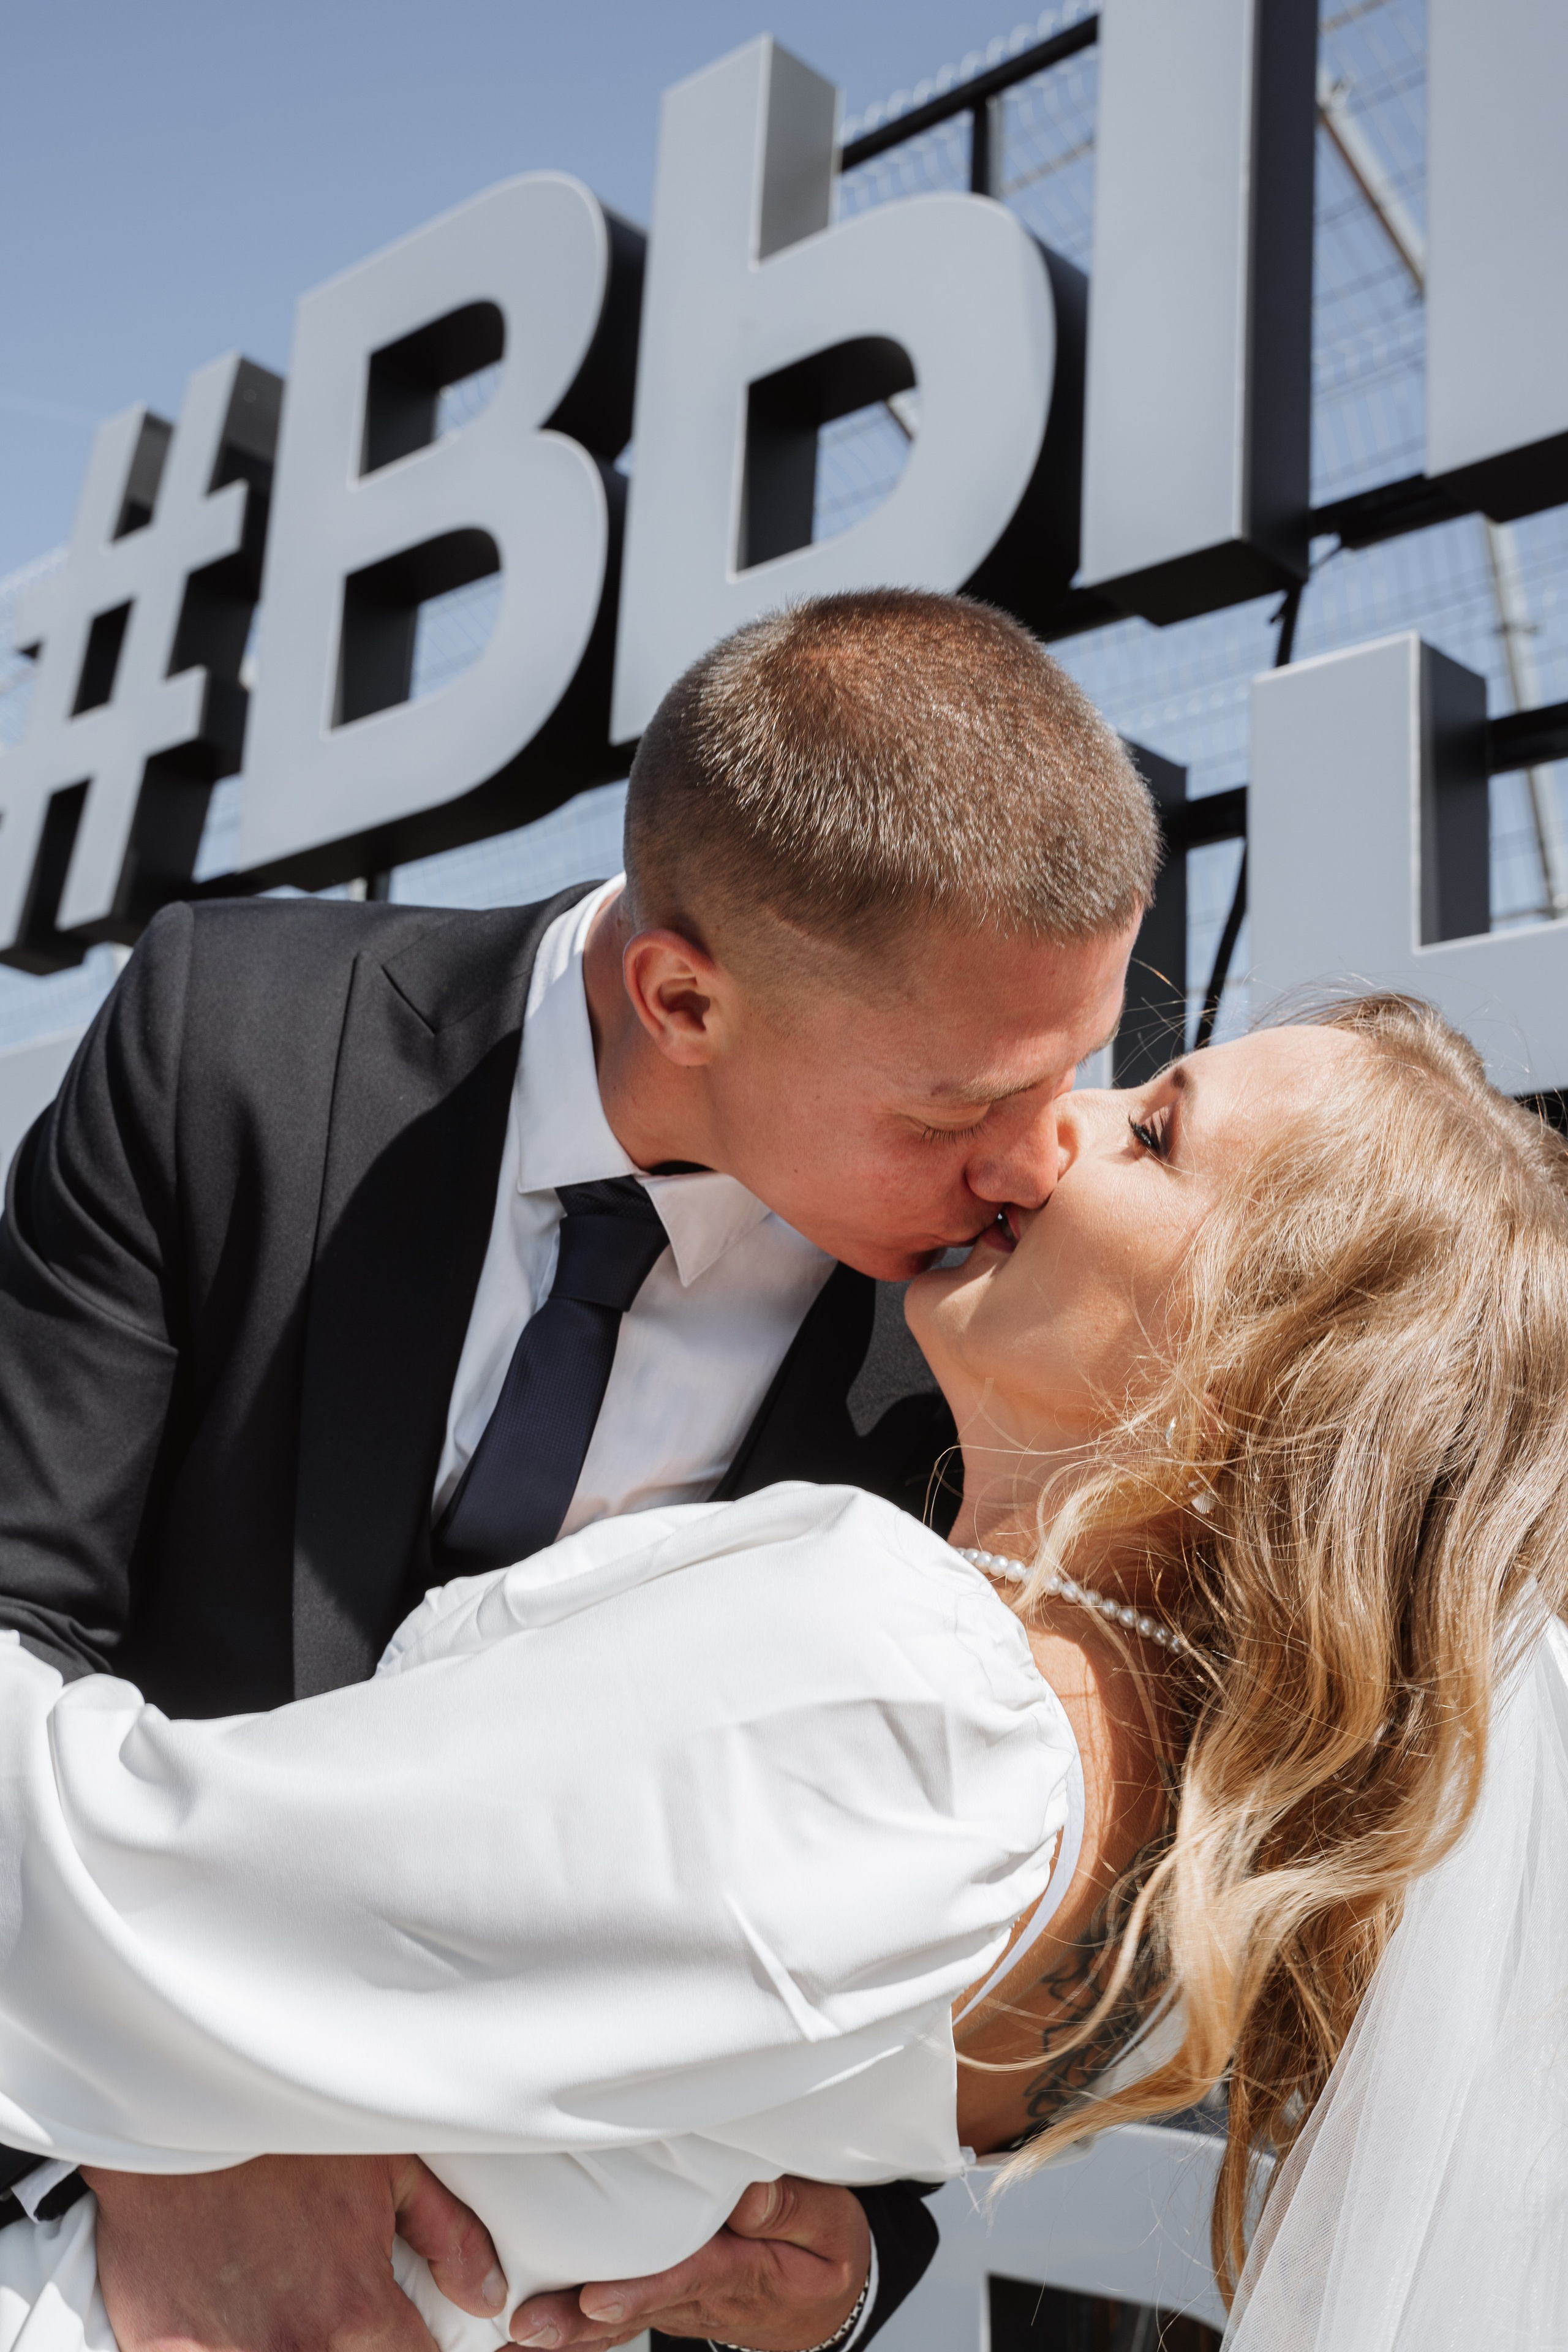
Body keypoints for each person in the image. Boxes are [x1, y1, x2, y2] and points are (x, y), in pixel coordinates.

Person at [1, 994, 1564, 2352]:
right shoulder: (1181, 1884)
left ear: (1259, 1361)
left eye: (1152, 1135)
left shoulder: (908, 1688)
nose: (1043, 1133)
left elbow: (93, 1887)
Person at [0, 590, 1159, 2352]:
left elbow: (939, 1933)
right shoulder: (222, 1038)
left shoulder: (997, 1326)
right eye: (949, 1113)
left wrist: (841, 2274)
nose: (1037, 1162)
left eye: (1074, 1071)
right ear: (682, 996)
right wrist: (170, 2143)